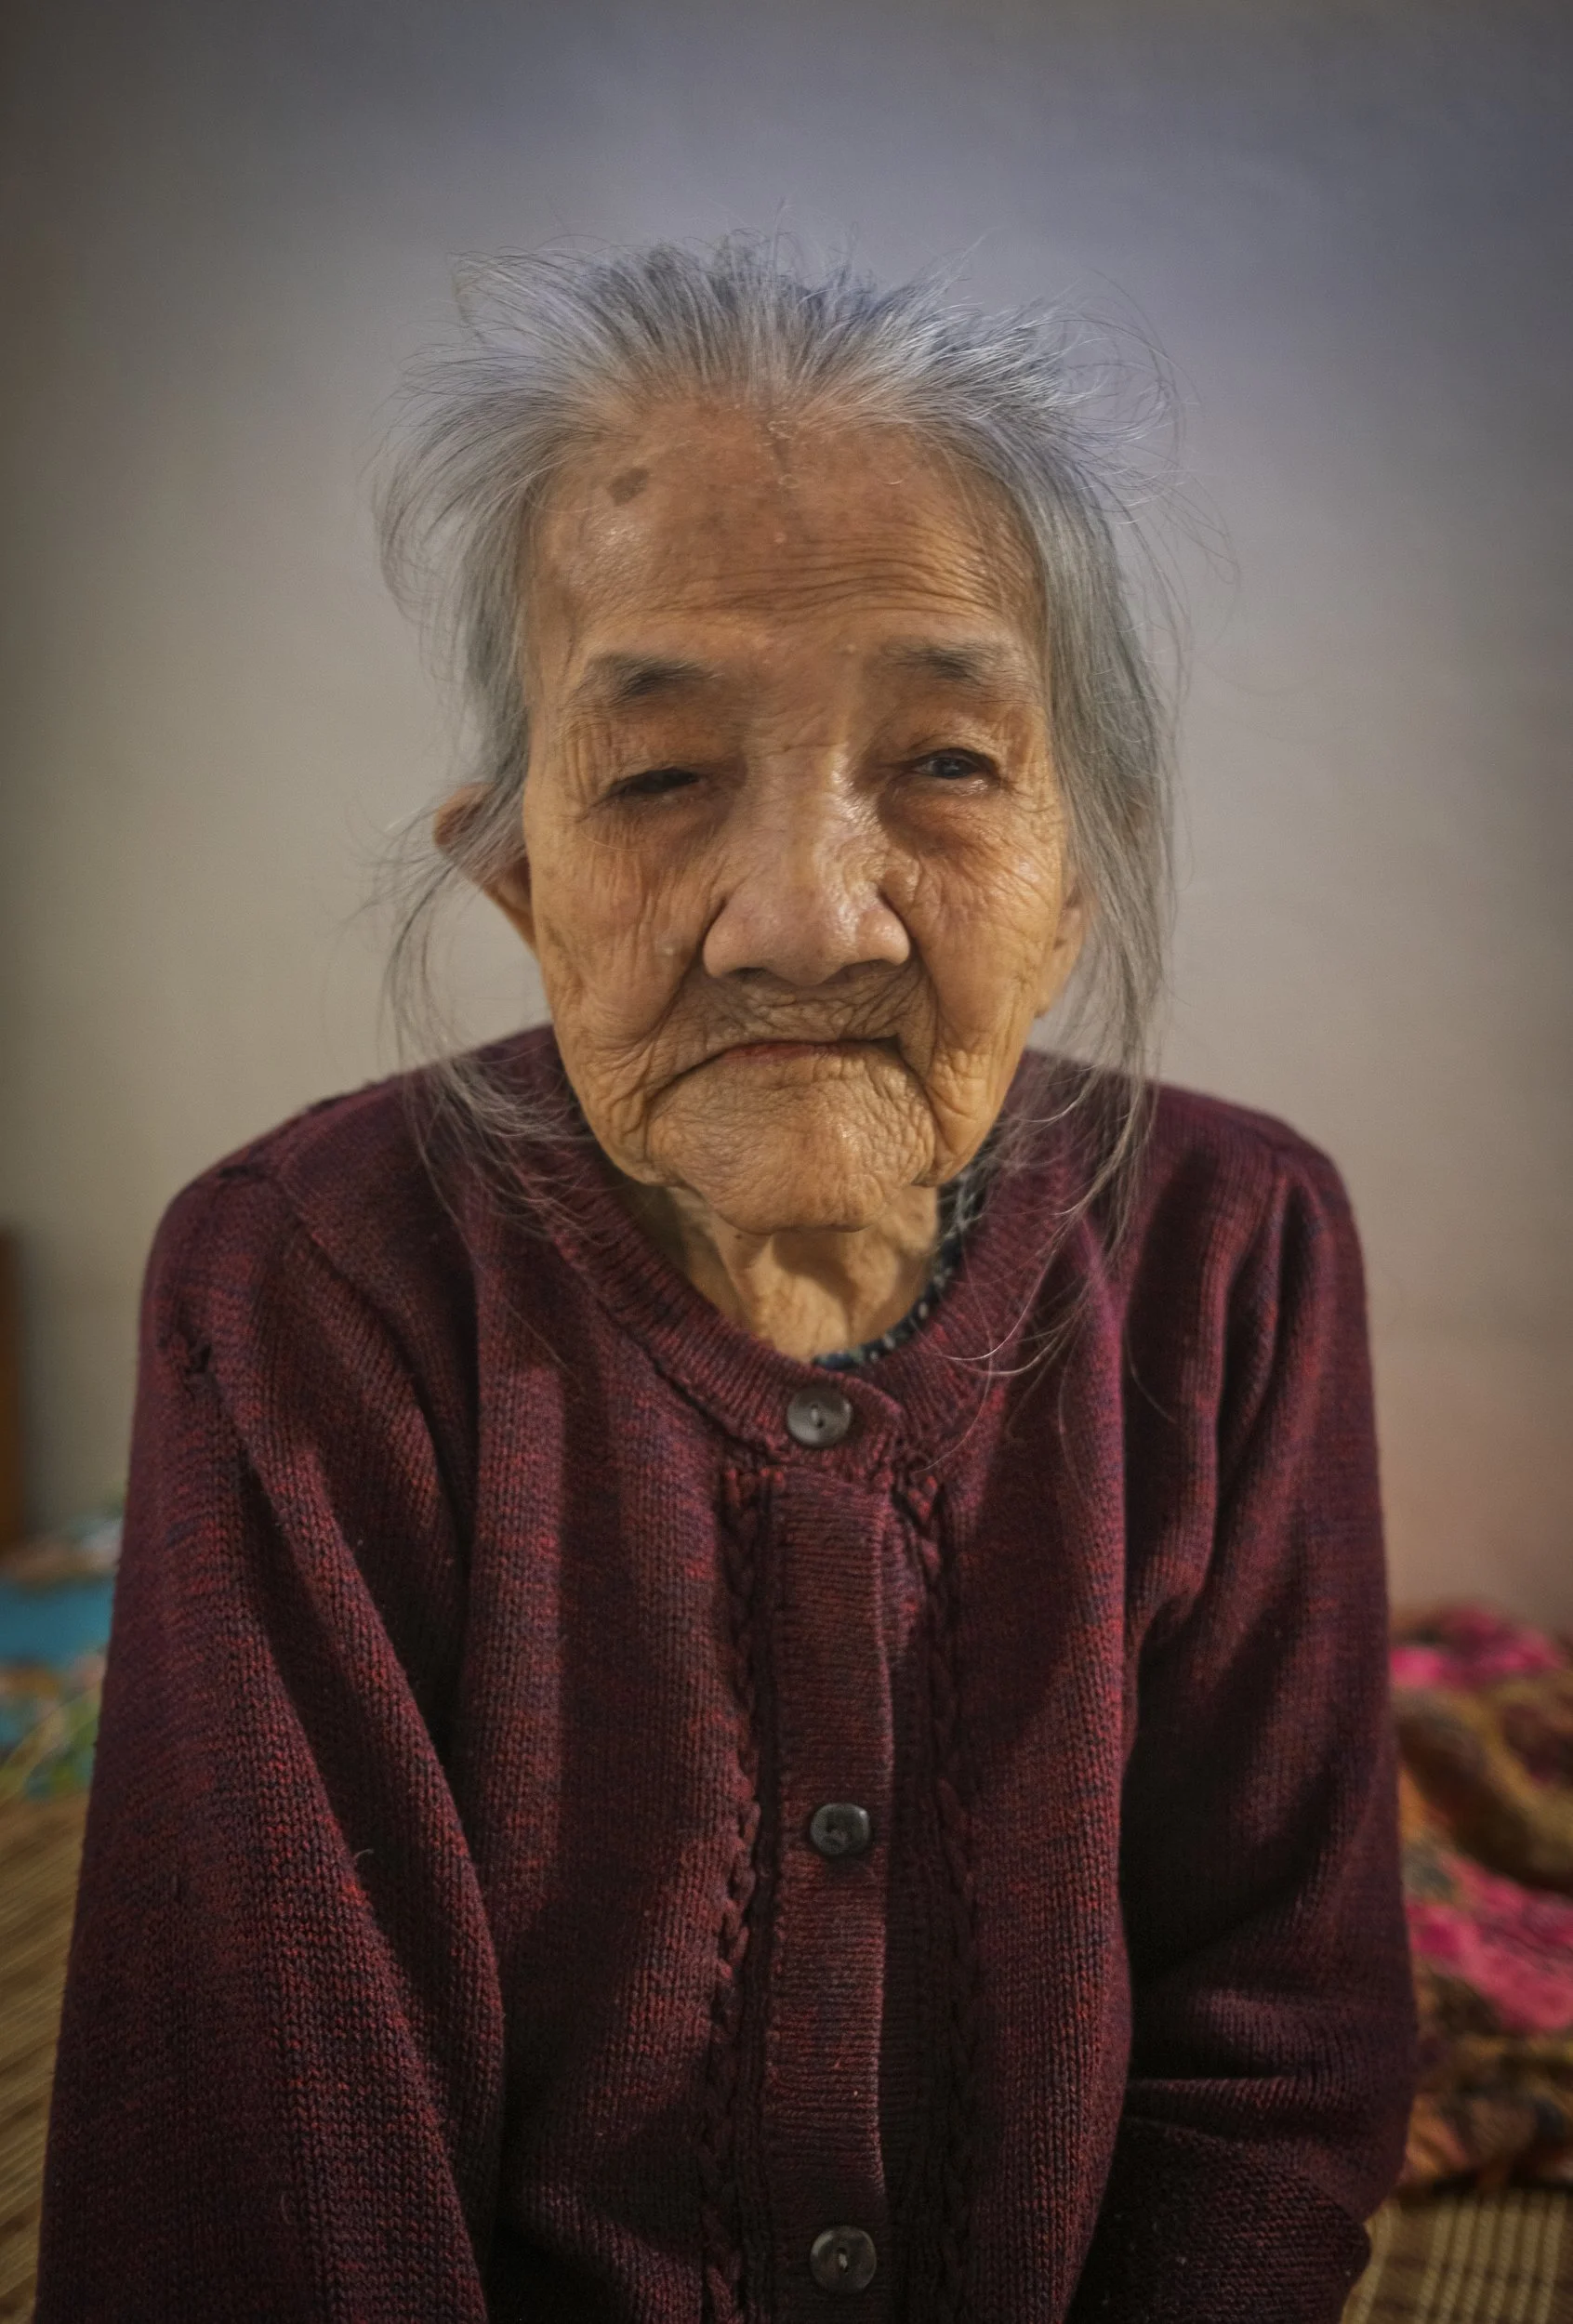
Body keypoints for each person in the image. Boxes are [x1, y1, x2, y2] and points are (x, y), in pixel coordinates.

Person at [37, 238, 1415, 2323]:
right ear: (523, 877)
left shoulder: (1238, 1252)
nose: (803, 917)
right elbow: (273, 2173)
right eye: (661, 777)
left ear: (1077, 869)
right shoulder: (307, 1291)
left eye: (947, 763)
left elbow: (1282, 2050)